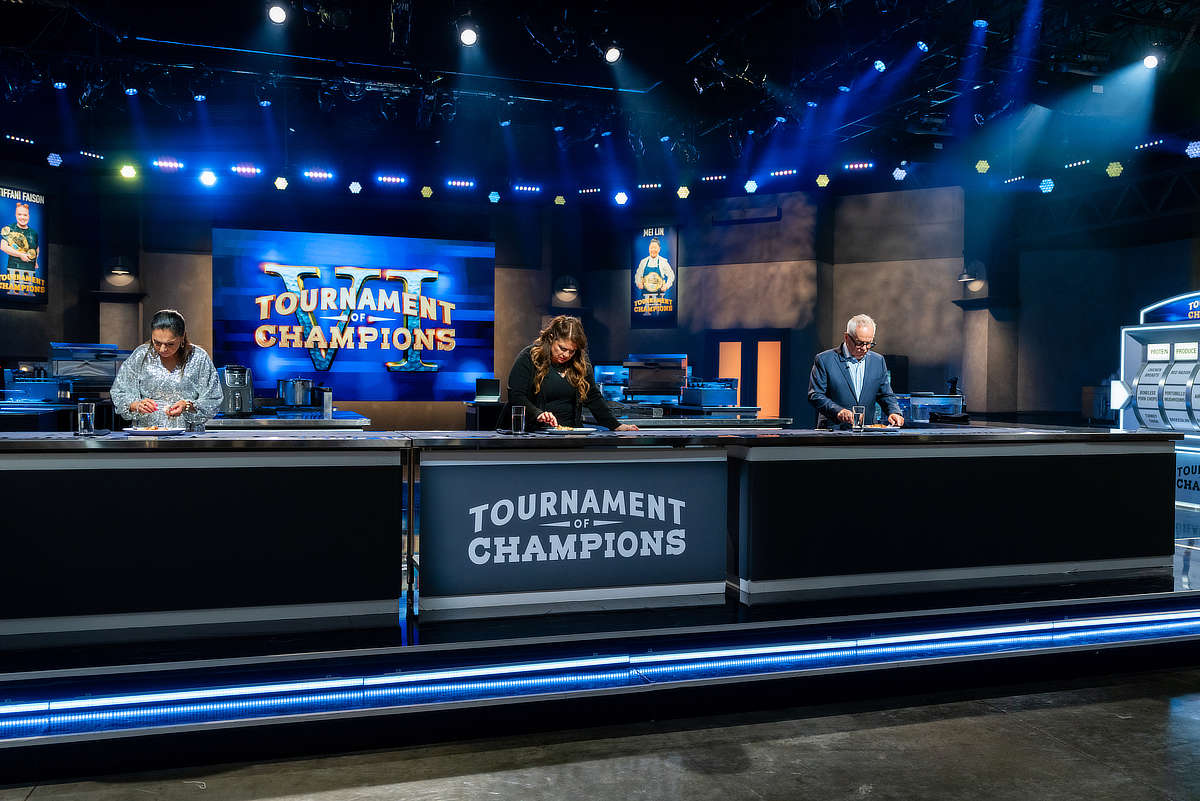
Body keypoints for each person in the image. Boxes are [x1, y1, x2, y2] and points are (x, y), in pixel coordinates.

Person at [506, 315, 638, 431]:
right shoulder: (530, 356)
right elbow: (516, 396)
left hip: (570, 431)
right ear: (551, 338)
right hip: (534, 431)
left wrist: (615, 425)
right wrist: (537, 413)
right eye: (562, 348)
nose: (566, 355)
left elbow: (592, 396)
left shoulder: (580, 360)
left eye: (572, 351)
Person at [111, 309, 224, 429]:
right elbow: (120, 392)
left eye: (170, 344)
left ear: (182, 338)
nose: (163, 349)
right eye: (157, 342)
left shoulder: (198, 357)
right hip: (148, 433)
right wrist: (136, 405)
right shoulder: (141, 355)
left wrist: (187, 405)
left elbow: (213, 398)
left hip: (189, 435)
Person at [808, 313, 904, 429]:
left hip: (868, 432)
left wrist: (894, 412)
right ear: (847, 337)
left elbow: (886, 394)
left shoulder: (878, 361)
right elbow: (815, 395)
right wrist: (838, 411)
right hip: (833, 431)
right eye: (859, 343)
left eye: (869, 343)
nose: (864, 348)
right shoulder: (824, 360)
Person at [1, 202, 39, 294]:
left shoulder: (34, 233)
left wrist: (35, 261)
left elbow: (37, 248)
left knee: (29, 294)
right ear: (15, 215)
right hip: (14, 268)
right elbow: (3, 247)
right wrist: (20, 255)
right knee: (13, 293)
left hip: (29, 269)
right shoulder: (9, 229)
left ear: (29, 216)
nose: (22, 217)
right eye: (19, 214)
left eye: (25, 215)